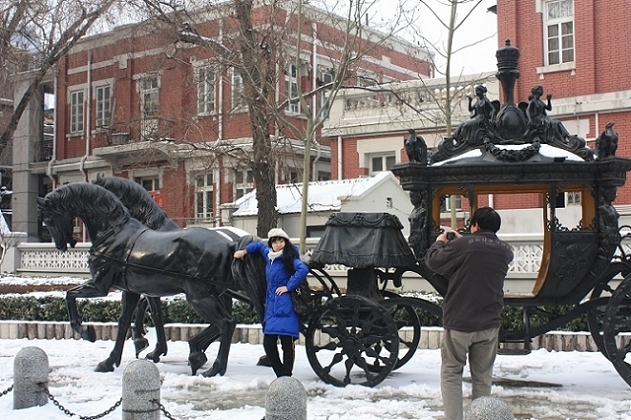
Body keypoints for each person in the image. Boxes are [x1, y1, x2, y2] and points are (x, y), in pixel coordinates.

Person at [425, 207, 514, 420]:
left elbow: (433, 261)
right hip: (489, 325)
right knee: (483, 378)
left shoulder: (462, 246)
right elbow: (480, 252)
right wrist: (462, 241)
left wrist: (441, 242)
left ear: (475, 225)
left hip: (459, 323)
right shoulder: (505, 251)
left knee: (452, 374)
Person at [233, 228, 308, 377]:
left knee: (287, 344)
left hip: (286, 306)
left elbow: (303, 269)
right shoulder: (269, 256)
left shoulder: (289, 258)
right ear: (271, 244)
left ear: (285, 243)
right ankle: (281, 375)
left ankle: (286, 376)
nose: (278, 244)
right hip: (272, 307)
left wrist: (288, 286)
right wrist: (244, 251)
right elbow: (259, 246)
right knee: (269, 343)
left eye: (281, 241)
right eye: (275, 241)